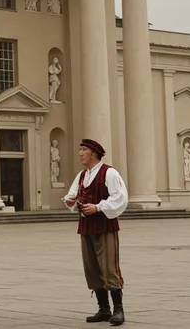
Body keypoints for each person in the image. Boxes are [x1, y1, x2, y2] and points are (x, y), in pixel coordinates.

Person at [63, 138, 128, 326]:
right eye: (80, 149)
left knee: (109, 267)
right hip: (86, 227)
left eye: (83, 150)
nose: (80, 153)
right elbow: (73, 194)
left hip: (104, 226)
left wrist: (98, 207)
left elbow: (121, 198)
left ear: (94, 153)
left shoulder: (109, 173)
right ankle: (103, 308)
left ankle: (118, 309)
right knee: (92, 268)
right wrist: (71, 202)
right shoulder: (82, 175)